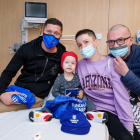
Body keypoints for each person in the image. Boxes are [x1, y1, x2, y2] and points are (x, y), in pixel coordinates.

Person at [75, 29, 135, 140]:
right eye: (79, 45)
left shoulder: (112, 63)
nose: (83, 47)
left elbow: (121, 96)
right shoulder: (80, 65)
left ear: (96, 42)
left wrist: (128, 124)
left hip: (117, 108)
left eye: (86, 42)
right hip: (99, 110)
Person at [0, 18, 66, 113]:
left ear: (60, 36)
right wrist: (1, 93)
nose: (52, 36)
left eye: (56, 33)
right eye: (49, 31)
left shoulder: (63, 56)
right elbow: (8, 72)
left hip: (39, 98)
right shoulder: (27, 49)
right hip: (20, 92)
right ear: (42, 31)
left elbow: (67, 77)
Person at [28, 51, 108, 123]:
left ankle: (93, 113)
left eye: (73, 63)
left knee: (89, 102)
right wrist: (63, 97)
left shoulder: (77, 77)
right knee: (50, 103)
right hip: (62, 102)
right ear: (62, 64)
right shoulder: (59, 78)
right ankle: (43, 113)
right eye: (67, 62)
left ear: (76, 65)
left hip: (75, 103)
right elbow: (54, 91)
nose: (70, 65)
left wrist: (81, 93)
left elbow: (81, 88)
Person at [107, 24, 140, 135]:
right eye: (111, 42)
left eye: (120, 40)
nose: (115, 46)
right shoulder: (109, 60)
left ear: (130, 40)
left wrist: (126, 73)